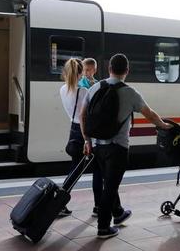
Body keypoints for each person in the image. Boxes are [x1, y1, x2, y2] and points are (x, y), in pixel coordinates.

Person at [81, 53, 172, 239]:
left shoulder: (95, 87)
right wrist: (163, 125)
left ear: (109, 69)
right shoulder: (130, 92)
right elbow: (150, 114)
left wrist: (87, 140)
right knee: (111, 188)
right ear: (127, 71)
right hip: (118, 148)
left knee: (108, 183)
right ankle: (103, 228)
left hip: (97, 146)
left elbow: (83, 115)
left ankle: (118, 213)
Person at [59, 58, 87, 217]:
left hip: (73, 130)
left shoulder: (63, 89)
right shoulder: (83, 92)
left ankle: (60, 201)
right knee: (76, 170)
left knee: (74, 168)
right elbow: (86, 116)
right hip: (83, 132)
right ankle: (60, 201)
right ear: (81, 73)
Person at [78, 57, 105, 217]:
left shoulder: (97, 83)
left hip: (93, 130)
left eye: (89, 70)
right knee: (98, 171)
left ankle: (99, 205)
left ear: (94, 70)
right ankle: (100, 206)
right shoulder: (82, 85)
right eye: (85, 70)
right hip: (90, 131)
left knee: (98, 171)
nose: (87, 73)